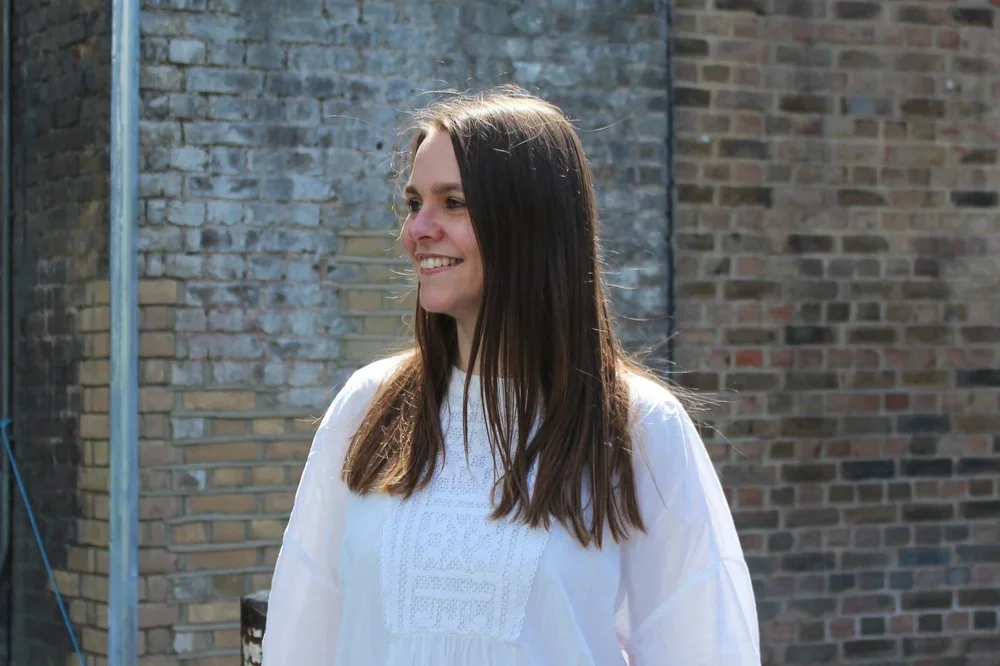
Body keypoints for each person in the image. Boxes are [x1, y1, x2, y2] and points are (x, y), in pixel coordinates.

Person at [262, 85, 760, 666]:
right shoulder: (369, 406)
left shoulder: (637, 426)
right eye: (413, 202)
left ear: (530, 223)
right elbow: (303, 630)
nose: (417, 229)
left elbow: (703, 644)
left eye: (453, 203)